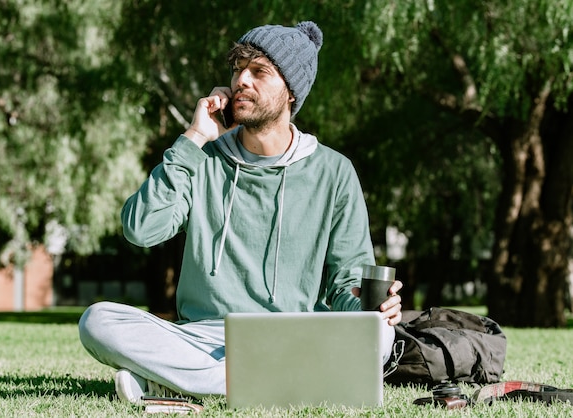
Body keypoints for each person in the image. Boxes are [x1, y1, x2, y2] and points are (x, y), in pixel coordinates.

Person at [78, 21, 403, 403]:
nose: (240, 81)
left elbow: (345, 281)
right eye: (237, 69)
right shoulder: (202, 158)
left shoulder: (333, 171)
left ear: (291, 94)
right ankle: (282, 384)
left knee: (381, 332)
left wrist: (371, 305)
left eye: (259, 71)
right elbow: (141, 229)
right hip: (202, 337)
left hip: (293, 338)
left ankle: (175, 383)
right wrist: (194, 137)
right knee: (97, 321)